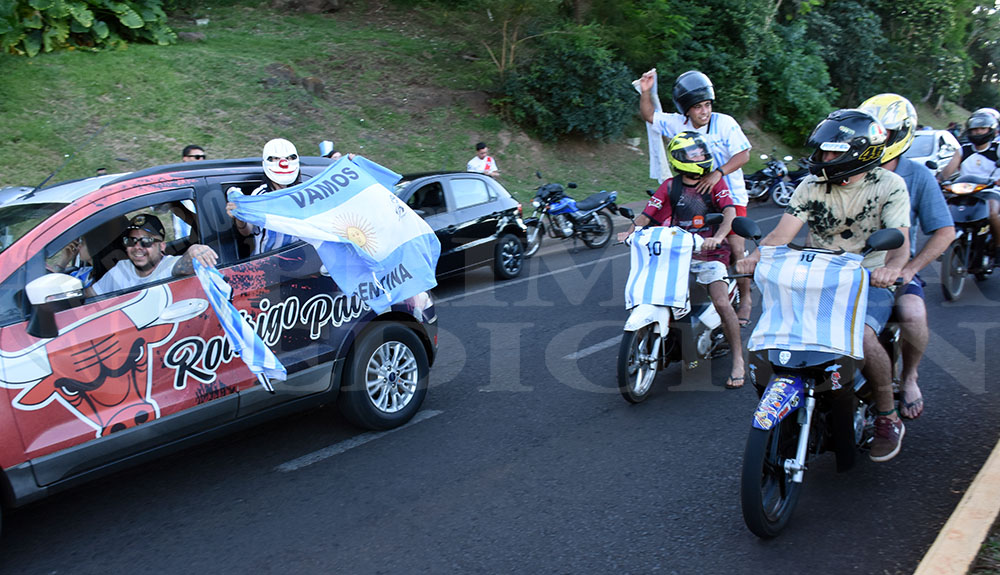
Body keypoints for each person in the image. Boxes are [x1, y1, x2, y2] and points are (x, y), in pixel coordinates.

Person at [737, 109, 911, 462]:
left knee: (863, 337)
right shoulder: (810, 185)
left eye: (831, 152)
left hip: (866, 278)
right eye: (821, 151)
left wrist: (891, 269)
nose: (822, 158)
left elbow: (900, 242)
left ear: (859, 153)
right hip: (817, 275)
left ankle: (887, 415)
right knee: (779, 329)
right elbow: (780, 235)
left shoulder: (889, 185)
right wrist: (755, 257)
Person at [618, 131, 744, 389]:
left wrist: (719, 237)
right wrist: (630, 232)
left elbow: (729, 212)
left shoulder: (714, 183)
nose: (700, 156)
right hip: (676, 253)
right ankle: (675, 346)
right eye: (694, 154)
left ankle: (739, 361)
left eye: (701, 152)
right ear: (679, 158)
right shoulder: (670, 186)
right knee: (653, 293)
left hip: (710, 253)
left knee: (721, 301)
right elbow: (648, 214)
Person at [859, 93, 955, 420]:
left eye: (883, 132)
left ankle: (909, 376)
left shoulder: (918, 176)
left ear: (899, 134)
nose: (875, 138)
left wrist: (911, 268)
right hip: (845, 267)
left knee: (912, 314)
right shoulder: (850, 168)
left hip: (893, 269)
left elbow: (945, 231)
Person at [638, 69, 753, 327]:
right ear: (686, 110)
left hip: (729, 194)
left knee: (736, 248)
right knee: (682, 245)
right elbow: (649, 116)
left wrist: (718, 173)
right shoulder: (678, 124)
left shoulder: (725, 123)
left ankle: (746, 298)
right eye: (698, 107)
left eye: (708, 105)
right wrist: (645, 91)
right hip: (692, 197)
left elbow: (743, 154)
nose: (704, 111)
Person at [87, 214, 218, 296]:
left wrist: (194, 250)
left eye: (146, 241)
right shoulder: (122, 268)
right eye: (131, 241)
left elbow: (184, 265)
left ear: (162, 246)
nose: (137, 247)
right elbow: (90, 296)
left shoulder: (169, 266)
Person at [939, 110, 1000, 258]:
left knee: (992, 213)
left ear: (990, 130)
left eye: (982, 129)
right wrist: (939, 180)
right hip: (964, 191)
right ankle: (941, 247)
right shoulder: (962, 151)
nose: (978, 132)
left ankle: (998, 246)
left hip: (991, 191)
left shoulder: (997, 149)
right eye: (974, 129)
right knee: (944, 213)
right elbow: (947, 172)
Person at [226, 138, 302, 255]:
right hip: (268, 259)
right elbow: (247, 231)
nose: (283, 163)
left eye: (289, 158)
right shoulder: (260, 195)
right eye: (276, 158)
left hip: (299, 257)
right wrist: (239, 216)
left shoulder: (302, 193)